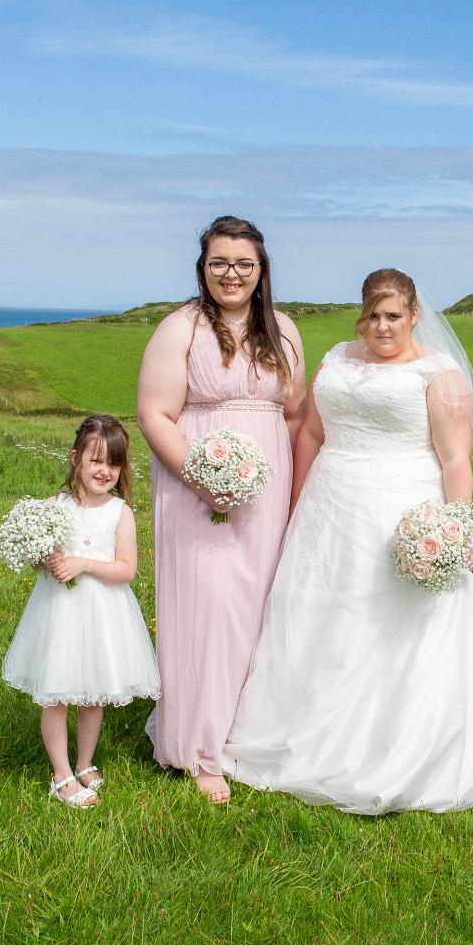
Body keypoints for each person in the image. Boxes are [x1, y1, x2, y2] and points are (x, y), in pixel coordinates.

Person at [222, 268, 473, 814]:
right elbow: (311, 432)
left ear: (414, 315)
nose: (382, 326)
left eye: (393, 316)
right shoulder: (337, 358)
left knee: (387, 622)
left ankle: (391, 749)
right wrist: (294, 505)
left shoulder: (438, 372)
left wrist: (456, 527)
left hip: (402, 508)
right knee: (319, 614)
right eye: (373, 315)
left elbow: (455, 457)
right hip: (329, 505)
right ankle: (302, 730)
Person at [136, 216, 306, 803]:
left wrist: (290, 489)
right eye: (219, 263)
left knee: (255, 608)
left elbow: (293, 415)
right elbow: (154, 413)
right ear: (202, 268)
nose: (231, 274)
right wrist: (202, 479)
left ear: (261, 271)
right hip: (196, 485)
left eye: (243, 264)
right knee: (208, 607)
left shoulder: (283, 330)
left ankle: (243, 733)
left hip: (268, 487)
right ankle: (199, 748)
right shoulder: (179, 327)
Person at [2, 414, 161, 808]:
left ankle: (85, 762)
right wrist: (46, 560)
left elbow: (126, 569)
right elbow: (40, 556)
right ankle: (61, 774)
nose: (105, 471)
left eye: (114, 463)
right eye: (96, 460)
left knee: (93, 695)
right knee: (57, 694)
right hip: (61, 614)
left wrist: (84, 564)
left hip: (104, 613)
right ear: (75, 459)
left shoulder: (120, 512)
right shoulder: (55, 506)